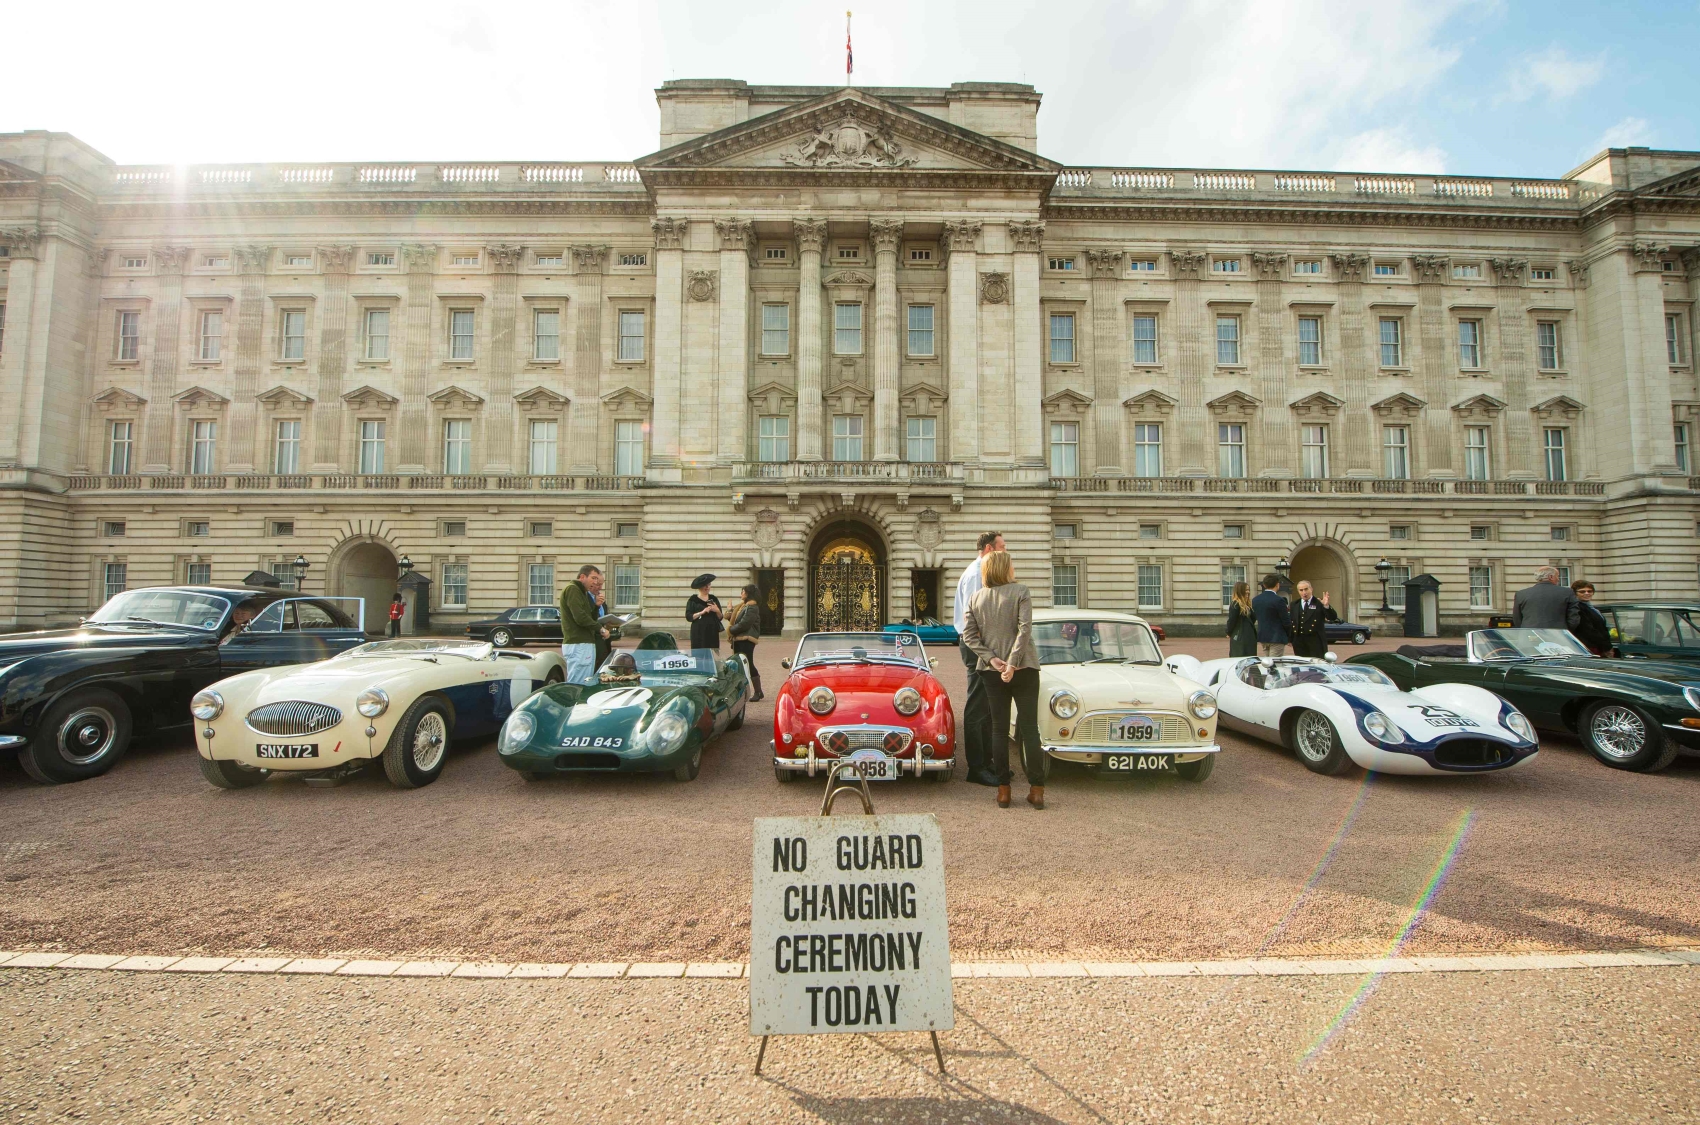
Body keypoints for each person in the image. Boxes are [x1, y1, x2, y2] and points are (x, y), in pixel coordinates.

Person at [962, 549, 1045, 810]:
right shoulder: (1021, 591)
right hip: (1025, 668)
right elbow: (1025, 629)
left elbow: (969, 637)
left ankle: (1003, 791)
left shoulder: (976, 597)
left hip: (991, 671)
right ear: (1005, 568)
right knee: (1030, 729)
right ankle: (1037, 790)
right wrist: (1013, 662)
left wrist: (993, 660)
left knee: (998, 729)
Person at [953, 531, 1005, 787]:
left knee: (985, 705)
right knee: (977, 706)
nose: (1005, 553)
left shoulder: (979, 571)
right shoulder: (977, 575)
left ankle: (987, 762)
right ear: (988, 548)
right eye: (1001, 547)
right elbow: (977, 618)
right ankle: (976, 767)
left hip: (980, 645)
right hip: (976, 645)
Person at [560, 565, 610, 686]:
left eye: (597, 579)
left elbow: (589, 618)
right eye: (593, 578)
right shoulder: (573, 589)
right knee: (578, 683)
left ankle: (579, 703)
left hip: (584, 643)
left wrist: (597, 606)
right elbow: (580, 618)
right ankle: (574, 703)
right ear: (582, 577)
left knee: (586, 681)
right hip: (578, 643)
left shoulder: (582, 593)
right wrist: (601, 629)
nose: (596, 582)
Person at [1511, 566, 1581, 631]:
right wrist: (1565, 631)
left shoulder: (1521, 594)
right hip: (1557, 635)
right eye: (1557, 576)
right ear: (1551, 577)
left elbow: (1517, 619)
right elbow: (1573, 618)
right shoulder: (1567, 592)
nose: (1558, 579)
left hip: (1529, 635)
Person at [728, 583, 765, 701]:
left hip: (746, 639)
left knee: (748, 664)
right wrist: (729, 611)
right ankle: (746, 691)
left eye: (743, 591)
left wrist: (730, 630)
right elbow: (736, 620)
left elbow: (744, 624)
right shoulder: (743, 606)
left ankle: (758, 692)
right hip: (739, 639)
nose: (741, 593)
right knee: (742, 665)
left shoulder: (752, 607)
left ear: (748, 593)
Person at [1289, 580, 1339, 659]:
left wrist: (1326, 606)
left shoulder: (1319, 603)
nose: (1304, 592)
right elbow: (1292, 622)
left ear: (1311, 589)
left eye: (1306, 589)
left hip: (1316, 642)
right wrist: (1290, 639)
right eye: (1301, 590)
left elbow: (1332, 617)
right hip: (1299, 642)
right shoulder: (1294, 604)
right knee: (1302, 666)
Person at [1250, 574, 1292, 657]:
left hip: (1263, 636)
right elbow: (1286, 621)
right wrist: (1289, 636)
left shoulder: (1256, 600)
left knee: (1268, 663)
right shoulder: (1279, 600)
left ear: (1264, 585)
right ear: (1277, 585)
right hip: (1277, 637)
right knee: (1275, 664)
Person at [1571, 579, 1613, 656]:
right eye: (1582, 591)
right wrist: (1606, 647)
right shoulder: (1577, 608)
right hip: (1589, 647)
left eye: (1589, 591)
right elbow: (1588, 630)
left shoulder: (1591, 608)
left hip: (1598, 646)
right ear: (1575, 593)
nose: (1587, 593)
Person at [686, 574, 724, 651]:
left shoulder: (713, 598)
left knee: (713, 653)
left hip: (712, 630)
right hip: (698, 631)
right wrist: (702, 612)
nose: (707, 587)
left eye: (709, 585)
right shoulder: (693, 600)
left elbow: (720, 617)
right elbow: (688, 616)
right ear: (700, 587)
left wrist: (717, 610)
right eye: (705, 585)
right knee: (698, 653)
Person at [1225, 581, 1257, 657]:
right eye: (1246, 590)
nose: (1248, 592)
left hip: (1248, 635)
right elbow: (1232, 620)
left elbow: (1253, 618)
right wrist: (1229, 632)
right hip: (1240, 635)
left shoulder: (1247, 604)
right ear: (1240, 590)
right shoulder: (1236, 604)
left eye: (1248, 590)